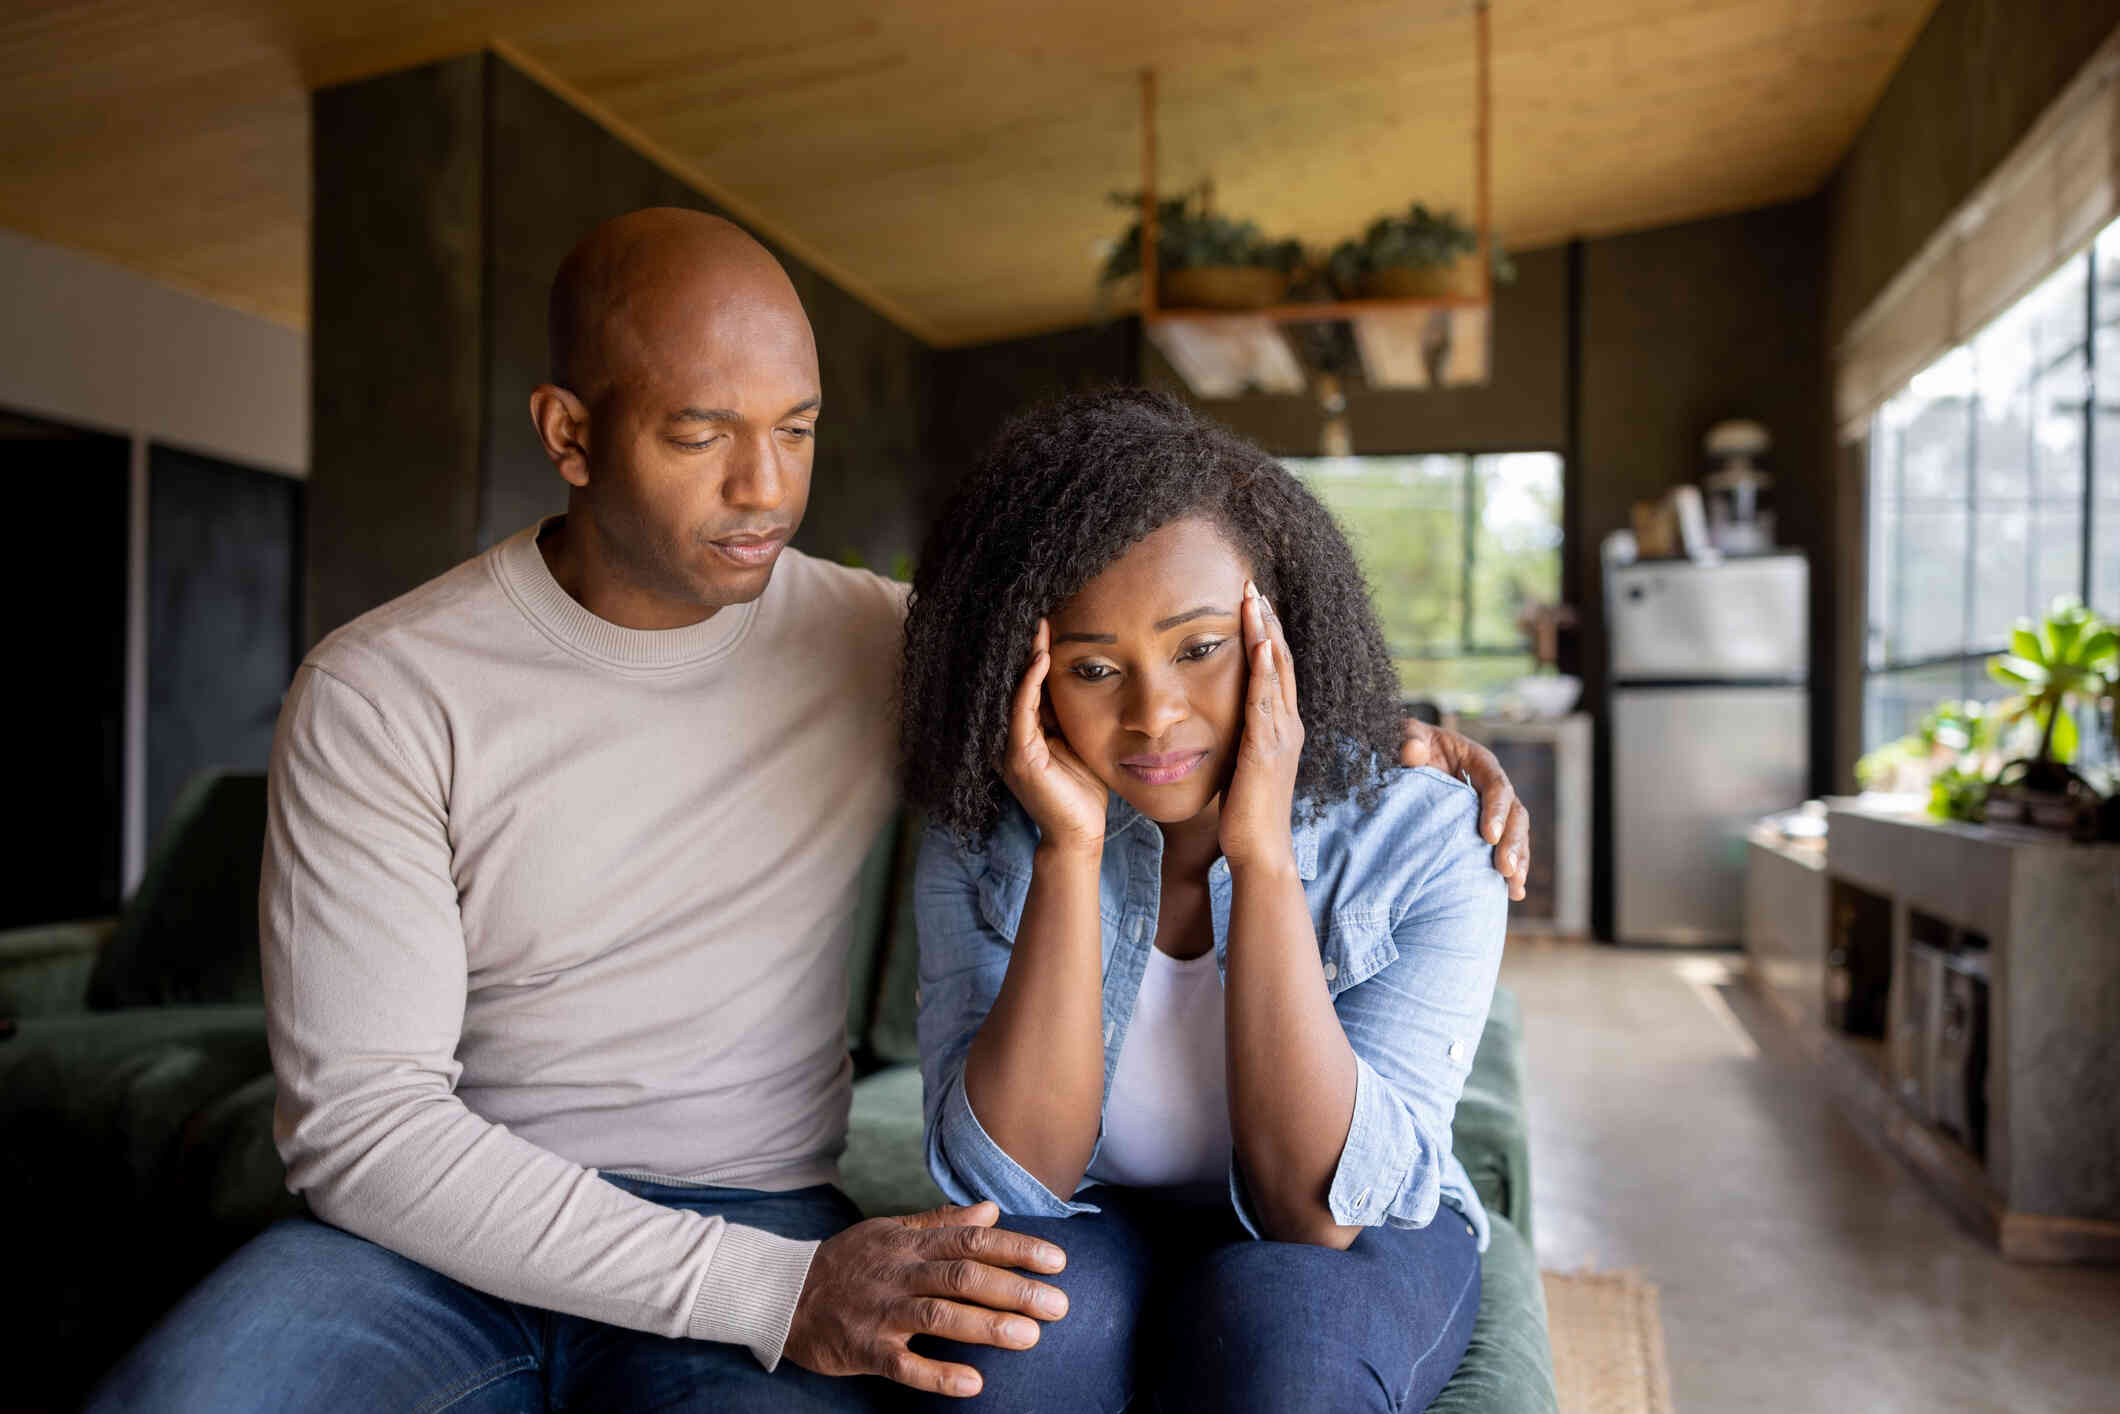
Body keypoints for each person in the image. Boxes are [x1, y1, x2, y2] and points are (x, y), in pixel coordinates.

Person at [89, 210, 1526, 1412]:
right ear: (571, 433)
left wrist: (1385, 736)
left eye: (796, 428)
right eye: (702, 432)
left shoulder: (884, 643)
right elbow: (365, 1132)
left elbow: (1134, 674)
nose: (764, 488)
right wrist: (779, 1295)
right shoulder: (385, 688)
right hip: (422, 1252)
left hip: (753, 1200)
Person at [898, 389, 1509, 1413]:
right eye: (1093, 668)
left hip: (1354, 1234)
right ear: (1031, 675)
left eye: (1197, 647)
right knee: (994, 1358)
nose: (1153, 715)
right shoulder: (980, 835)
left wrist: (1261, 857)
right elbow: (1011, 1192)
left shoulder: (1426, 838)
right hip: (1101, 1216)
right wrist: (1068, 848)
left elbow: (1316, 1214)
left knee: (1290, 1345)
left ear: (1279, 629)